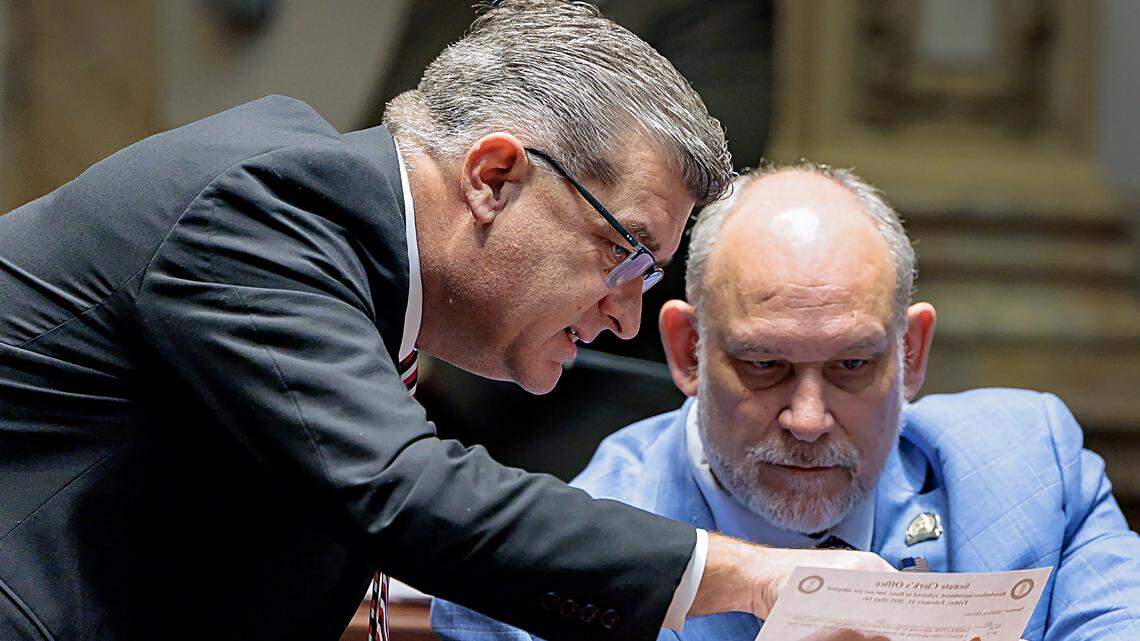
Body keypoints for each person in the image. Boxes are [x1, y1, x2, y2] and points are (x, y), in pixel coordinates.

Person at [0, 3, 893, 641]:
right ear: (495, 175)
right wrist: (760, 574)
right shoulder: (259, 208)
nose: (628, 317)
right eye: (626, 256)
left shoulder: (357, 259)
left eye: (650, 279)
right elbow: (405, 492)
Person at [432, 164, 1140, 641]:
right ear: (687, 351)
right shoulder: (538, 587)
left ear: (911, 354)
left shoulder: (1032, 469)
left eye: (854, 364)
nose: (807, 418)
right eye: (765, 364)